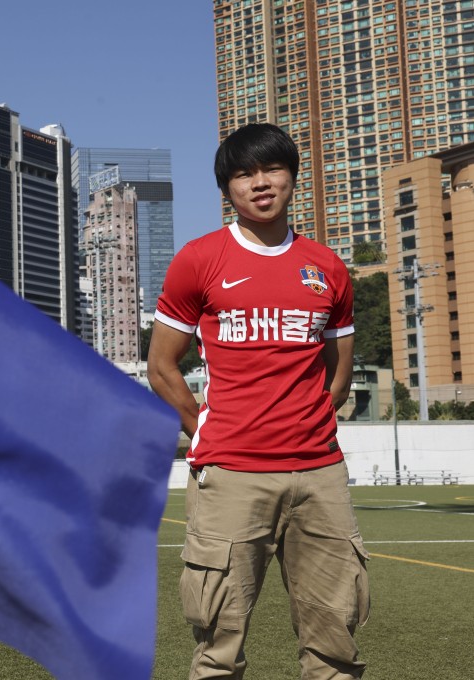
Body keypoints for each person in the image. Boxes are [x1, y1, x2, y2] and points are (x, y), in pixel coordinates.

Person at [147, 123, 370, 680]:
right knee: (218, 643)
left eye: (271, 169)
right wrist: (208, 427)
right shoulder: (199, 260)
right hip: (231, 473)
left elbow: (338, 373)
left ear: (292, 177)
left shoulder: (328, 268)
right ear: (228, 190)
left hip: (320, 473)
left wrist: (311, 421)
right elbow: (161, 365)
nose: (260, 183)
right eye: (244, 174)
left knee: (335, 643)